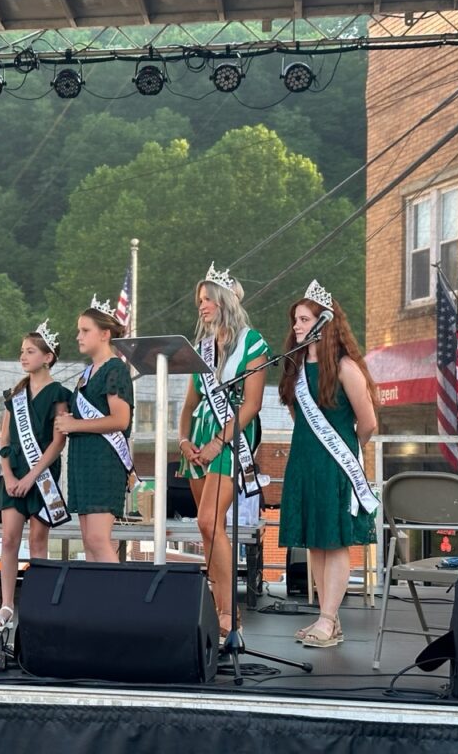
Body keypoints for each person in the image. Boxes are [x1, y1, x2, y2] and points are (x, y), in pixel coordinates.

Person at [278, 280, 379, 648]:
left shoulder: (346, 367)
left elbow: (368, 423)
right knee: (316, 543)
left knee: (334, 542)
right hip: (304, 463)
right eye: (295, 320)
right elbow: (298, 417)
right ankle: (327, 618)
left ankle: (327, 618)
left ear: (325, 324)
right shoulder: (295, 367)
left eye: (304, 319)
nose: (297, 326)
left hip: (336, 465)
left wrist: (348, 453)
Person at [176, 263, 268, 640]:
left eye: (207, 299)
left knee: (209, 521)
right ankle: (220, 612)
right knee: (209, 530)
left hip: (231, 438)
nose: (201, 305)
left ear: (225, 301)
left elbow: (253, 404)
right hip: (199, 439)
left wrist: (219, 442)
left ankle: (230, 612)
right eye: (199, 300)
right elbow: (189, 403)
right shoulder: (200, 348)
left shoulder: (252, 342)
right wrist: (183, 440)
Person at [0, 321, 70, 632]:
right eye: (22, 351)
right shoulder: (16, 395)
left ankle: (37, 606)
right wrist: (9, 476)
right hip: (15, 476)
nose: (23, 356)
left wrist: (32, 477)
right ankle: (6, 605)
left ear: (48, 357)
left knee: (37, 540)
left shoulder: (59, 394)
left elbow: (58, 442)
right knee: (9, 539)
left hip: (42, 476)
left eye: (30, 351)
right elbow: (4, 440)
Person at [54, 296, 133, 563]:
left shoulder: (115, 369)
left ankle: (119, 591)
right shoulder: (87, 372)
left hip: (104, 463)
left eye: (85, 330)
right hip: (83, 463)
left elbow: (120, 420)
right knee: (89, 542)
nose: (79, 336)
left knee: (99, 539)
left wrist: (75, 424)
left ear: (105, 334)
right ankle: (96, 591)